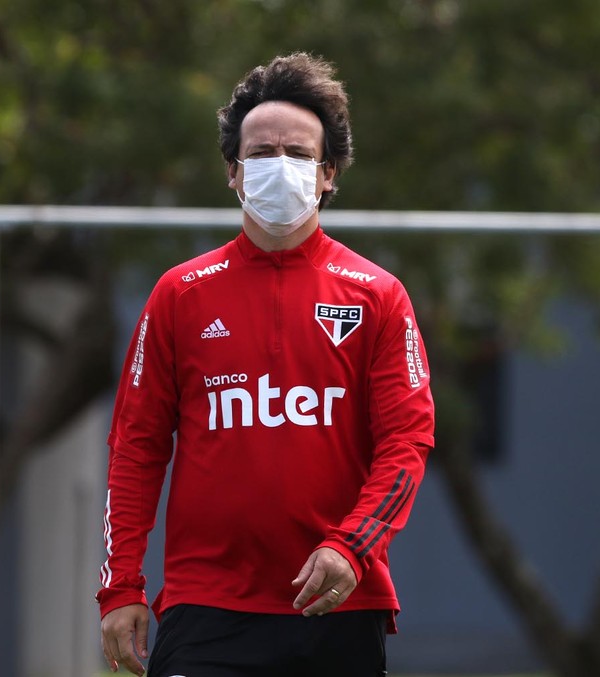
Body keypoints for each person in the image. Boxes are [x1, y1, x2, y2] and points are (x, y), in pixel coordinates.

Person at [97, 52, 435, 677]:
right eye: (260, 153)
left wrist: (352, 546)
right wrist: (121, 586)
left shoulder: (378, 295)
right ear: (232, 172)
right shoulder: (180, 294)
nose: (278, 166)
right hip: (207, 609)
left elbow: (407, 443)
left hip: (336, 603)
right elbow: (135, 447)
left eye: (298, 154)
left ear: (328, 173)